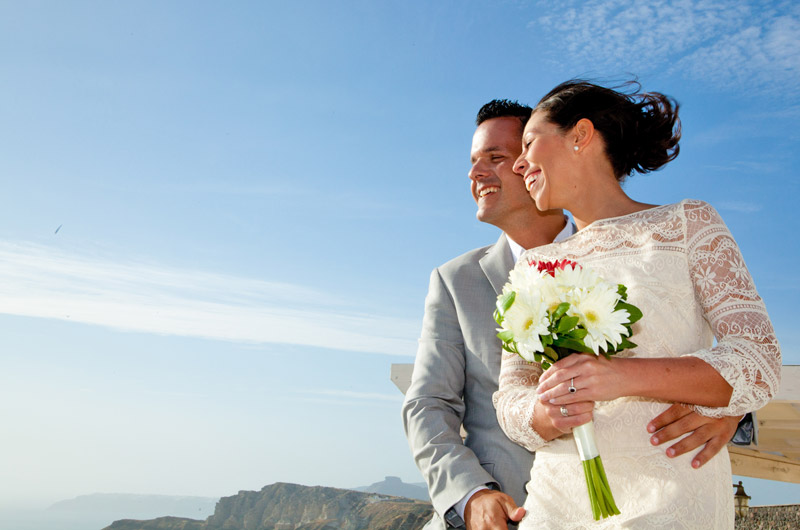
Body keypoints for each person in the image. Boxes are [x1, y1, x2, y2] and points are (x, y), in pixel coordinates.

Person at [403, 99, 744, 530]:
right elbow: (428, 403)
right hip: (505, 511)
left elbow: (729, 352)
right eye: (473, 161)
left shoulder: (654, 240)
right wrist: (470, 494)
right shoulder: (455, 280)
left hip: (651, 496)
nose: (475, 174)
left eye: (496, 157)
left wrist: (732, 406)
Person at [493, 80, 782, 529]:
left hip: (671, 497)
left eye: (529, 142)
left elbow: (758, 358)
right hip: (555, 504)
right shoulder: (534, 265)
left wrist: (620, 377)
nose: (519, 163)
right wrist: (544, 412)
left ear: (580, 135)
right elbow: (511, 397)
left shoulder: (687, 226)